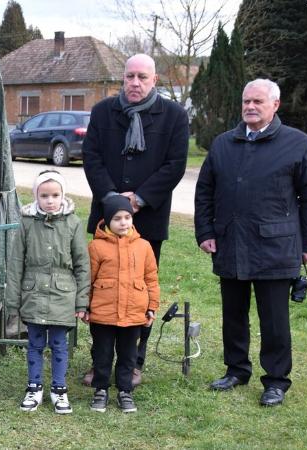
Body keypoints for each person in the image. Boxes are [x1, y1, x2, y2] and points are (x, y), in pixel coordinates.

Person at [194, 79, 307, 407]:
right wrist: (206, 232)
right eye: (246, 101)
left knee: (274, 319)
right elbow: (205, 191)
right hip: (230, 242)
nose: (250, 107)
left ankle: (277, 380)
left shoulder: (297, 143)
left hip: (277, 247)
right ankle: (237, 369)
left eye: (258, 102)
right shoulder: (223, 143)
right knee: (233, 314)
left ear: (275, 105)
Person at [82, 53, 188, 386]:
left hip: (148, 220)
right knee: (102, 289)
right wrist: (113, 200)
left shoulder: (174, 116)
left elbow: (175, 164)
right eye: (129, 76)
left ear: (154, 80)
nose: (135, 83)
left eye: (142, 77)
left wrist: (138, 200)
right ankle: (100, 362)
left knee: (138, 291)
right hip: (105, 219)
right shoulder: (102, 112)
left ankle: (134, 363)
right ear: (122, 79)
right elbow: (92, 158)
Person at [5, 170, 89, 414]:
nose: (50, 200)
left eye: (55, 195)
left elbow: (82, 263)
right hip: (33, 293)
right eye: (44, 195)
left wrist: (81, 302)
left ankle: (59, 390)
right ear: (36, 196)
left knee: (60, 344)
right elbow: (15, 263)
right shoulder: (27, 223)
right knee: (34, 343)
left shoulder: (73, 223)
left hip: (63, 295)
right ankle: (34, 387)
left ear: (63, 195)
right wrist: (13, 301)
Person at [85, 195, 159, 413]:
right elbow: (87, 280)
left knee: (128, 355)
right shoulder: (96, 247)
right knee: (102, 353)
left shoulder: (144, 246)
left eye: (127, 217)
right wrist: (85, 307)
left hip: (134, 313)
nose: (124, 222)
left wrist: (151, 307)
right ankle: (101, 390)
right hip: (103, 313)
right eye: (117, 218)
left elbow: (151, 279)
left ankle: (125, 391)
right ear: (108, 220)